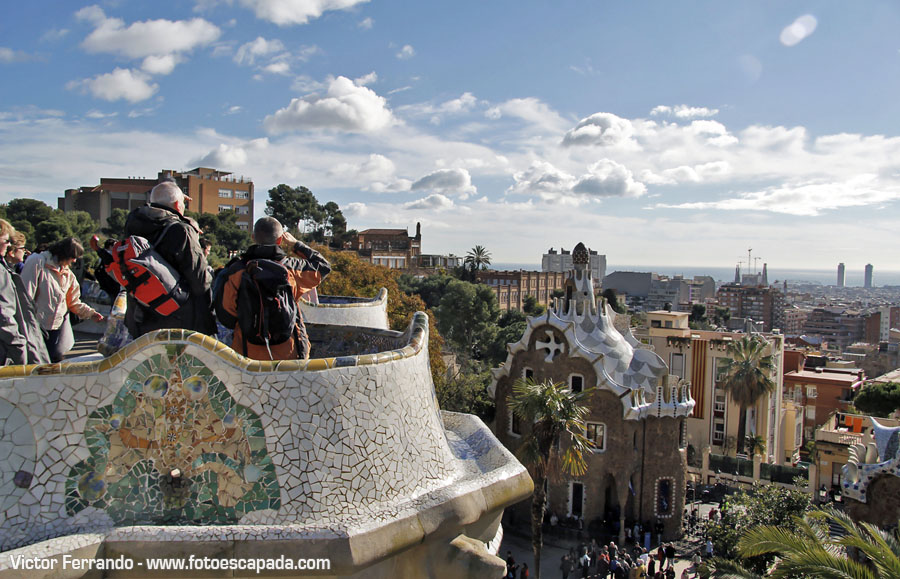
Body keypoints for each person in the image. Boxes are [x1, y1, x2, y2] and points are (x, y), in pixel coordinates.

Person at [215, 217, 330, 360]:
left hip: (247, 353)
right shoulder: (292, 268)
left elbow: (226, 315)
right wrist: (296, 245)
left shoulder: (236, 271)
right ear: (280, 240)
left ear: (253, 237)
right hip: (290, 351)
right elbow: (323, 266)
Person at [122, 180, 215, 337]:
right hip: (178, 323)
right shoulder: (182, 230)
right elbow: (200, 282)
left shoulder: (133, 225)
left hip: (140, 316)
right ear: (178, 205)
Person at [21, 237, 103, 362]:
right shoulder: (37, 262)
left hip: (55, 329)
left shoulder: (67, 274)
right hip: (35, 327)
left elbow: (73, 302)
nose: (74, 261)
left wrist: (91, 313)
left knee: (50, 365)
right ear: (65, 253)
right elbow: (25, 296)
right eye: (73, 257)